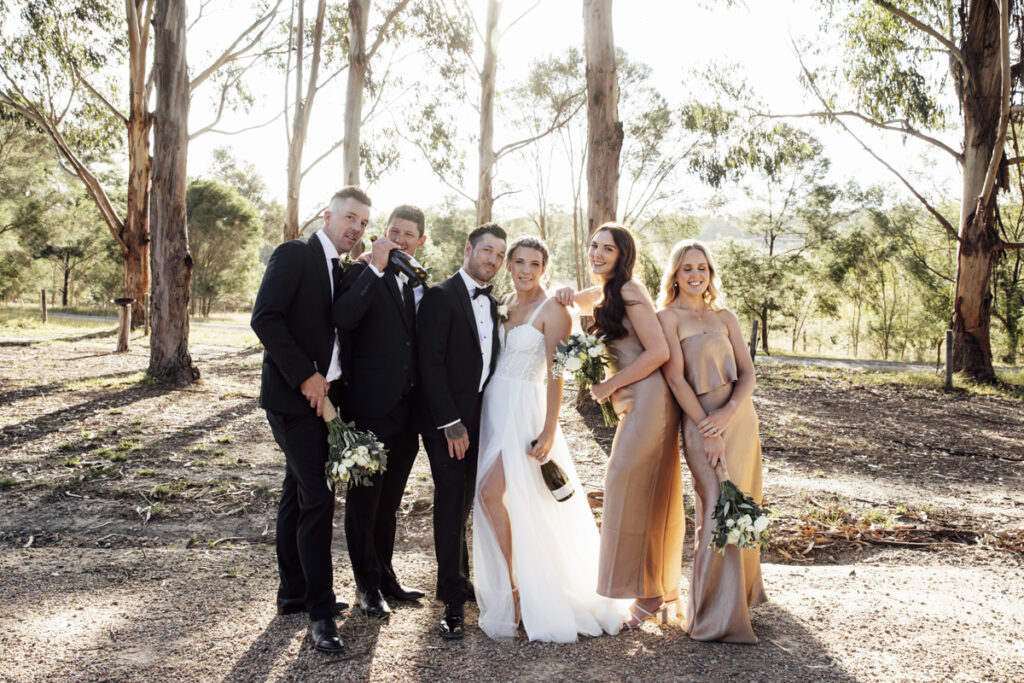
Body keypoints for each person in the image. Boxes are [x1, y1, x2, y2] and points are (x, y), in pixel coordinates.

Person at [473, 236, 628, 642]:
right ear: (509, 265)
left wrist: (549, 428)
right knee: (505, 500)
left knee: (493, 493)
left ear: (545, 268)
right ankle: (513, 584)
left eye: (534, 264)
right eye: (519, 262)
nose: (525, 270)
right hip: (493, 408)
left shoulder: (554, 310)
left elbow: (557, 374)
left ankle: (517, 589)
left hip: (526, 412)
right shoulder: (503, 303)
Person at [250, 186, 372, 654]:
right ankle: (320, 613)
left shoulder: (339, 268)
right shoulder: (295, 254)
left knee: (297, 495)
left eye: (362, 222)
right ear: (328, 215)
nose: (356, 228)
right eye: (349, 218)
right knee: (319, 499)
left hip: (325, 400)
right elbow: (265, 319)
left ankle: (293, 593)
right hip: (292, 399)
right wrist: (305, 375)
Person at [554, 223, 683, 630]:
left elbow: (659, 351)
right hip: (635, 403)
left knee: (626, 487)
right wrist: (562, 292)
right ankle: (650, 590)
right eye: (593, 246)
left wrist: (610, 383)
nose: (597, 253)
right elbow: (577, 299)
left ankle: (647, 594)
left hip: (650, 401)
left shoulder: (629, 290)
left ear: (622, 254)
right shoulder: (611, 291)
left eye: (607, 249)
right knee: (639, 490)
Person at [657, 239, 767, 643]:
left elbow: (748, 373)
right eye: (687, 268)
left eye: (701, 267)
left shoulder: (725, 316)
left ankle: (741, 599)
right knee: (717, 507)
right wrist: (708, 427)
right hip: (700, 423)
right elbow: (674, 378)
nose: (695, 275)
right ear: (675, 274)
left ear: (710, 272)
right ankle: (710, 613)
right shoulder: (667, 317)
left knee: (742, 505)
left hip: (738, 421)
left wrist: (729, 413)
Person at [333, 205, 428, 620]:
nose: (401, 239)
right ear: (383, 235)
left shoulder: (421, 283)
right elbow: (344, 319)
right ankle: (366, 585)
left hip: (408, 415)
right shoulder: (361, 273)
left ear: (421, 241)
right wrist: (374, 267)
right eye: (394, 231)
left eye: (409, 234)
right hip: (368, 410)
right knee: (364, 502)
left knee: (390, 502)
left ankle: (386, 574)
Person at [417, 223, 507, 639]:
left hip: (479, 417)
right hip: (448, 421)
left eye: (499, 255)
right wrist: (450, 422)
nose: (492, 260)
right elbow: (429, 364)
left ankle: (461, 578)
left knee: (466, 501)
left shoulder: (493, 304)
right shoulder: (440, 296)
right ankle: (451, 599)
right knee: (451, 502)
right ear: (469, 249)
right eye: (487, 251)